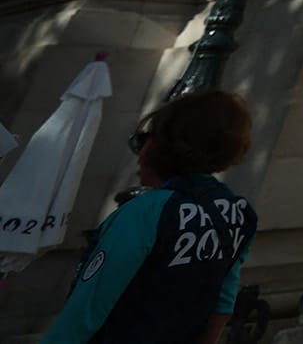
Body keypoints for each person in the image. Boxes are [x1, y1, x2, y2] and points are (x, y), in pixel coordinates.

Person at [43, 90, 257, 344]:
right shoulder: (239, 213)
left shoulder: (145, 211)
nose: (139, 148)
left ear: (165, 145)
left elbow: (87, 309)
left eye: (145, 138)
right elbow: (223, 303)